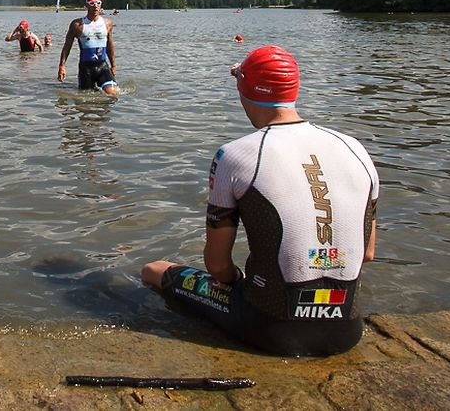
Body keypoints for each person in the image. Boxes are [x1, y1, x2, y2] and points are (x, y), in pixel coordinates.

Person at [141, 45, 379, 357]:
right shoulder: (355, 148)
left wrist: (238, 281)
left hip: (272, 329)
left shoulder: (235, 155)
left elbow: (217, 266)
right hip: (346, 330)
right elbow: (368, 253)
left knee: (154, 270)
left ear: (244, 89)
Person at [57, 0, 119, 95]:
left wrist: (113, 65)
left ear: (101, 5)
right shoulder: (77, 25)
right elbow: (67, 46)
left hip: (102, 66)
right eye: (92, 3)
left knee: (113, 94)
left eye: (98, 3)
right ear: (86, 5)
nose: (95, 6)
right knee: (86, 100)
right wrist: (61, 66)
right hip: (86, 68)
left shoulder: (107, 23)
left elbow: (110, 45)